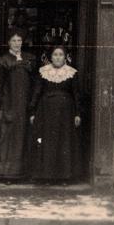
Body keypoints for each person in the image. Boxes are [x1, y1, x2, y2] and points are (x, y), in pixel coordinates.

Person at [28, 45, 83, 183]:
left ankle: (64, 176)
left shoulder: (71, 73)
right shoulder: (43, 72)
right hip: (46, 112)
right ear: (50, 57)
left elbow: (76, 94)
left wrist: (77, 113)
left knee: (63, 142)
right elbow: (37, 92)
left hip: (66, 114)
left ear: (65, 58)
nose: (58, 57)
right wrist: (33, 111)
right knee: (47, 142)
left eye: (60, 55)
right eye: (55, 55)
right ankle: (46, 176)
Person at [0, 29, 36, 180]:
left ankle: (23, 173)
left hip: (24, 106)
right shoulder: (3, 60)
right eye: (14, 40)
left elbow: (34, 83)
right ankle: (7, 174)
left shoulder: (29, 59)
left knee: (23, 136)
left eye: (19, 40)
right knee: (8, 138)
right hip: (9, 104)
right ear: (9, 43)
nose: (17, 43)